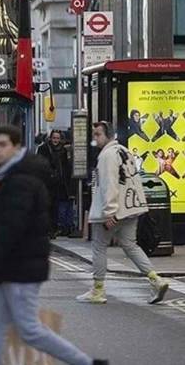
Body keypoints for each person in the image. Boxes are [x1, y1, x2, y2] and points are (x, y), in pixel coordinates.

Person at [0, 126, 105, 365]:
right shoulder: (11, 176)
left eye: (3, 145)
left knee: (29, 330)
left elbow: (11, 228)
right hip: (8, 268)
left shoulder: (21, 181)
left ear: (17, 147)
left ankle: (86, 363)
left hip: (21, 269)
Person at [78, 121, 170, 305]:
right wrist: (139, 206)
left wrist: (110, 212)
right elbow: (134, 180)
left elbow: (109, 184)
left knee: (99, 247)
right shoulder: (124, 151)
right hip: (130, 208)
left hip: (112, 210)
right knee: (131, 246)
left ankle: (98, 290)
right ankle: (156, 279)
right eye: (94, 134)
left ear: (108, 135)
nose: (94, 138)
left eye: (98, 135)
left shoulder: (106, 156)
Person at [37, 130, 73, 236]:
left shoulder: (63, 150)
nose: (56, 140)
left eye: (57, 138)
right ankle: (47, 229)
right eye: (54, 138)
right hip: (47, 182)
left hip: (60, 183)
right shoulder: (43, 149)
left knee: (56, 207)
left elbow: (66, 166)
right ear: (50, 138)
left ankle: (55, 228)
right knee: (47, 206)